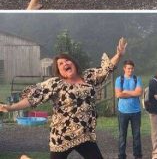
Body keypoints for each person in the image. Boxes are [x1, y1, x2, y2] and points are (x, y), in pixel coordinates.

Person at [0, 37, 128, 159]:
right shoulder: (55, 84)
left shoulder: (87, 77)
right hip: (62, 135)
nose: (65, 63)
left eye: (67, 60)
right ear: (59, 71)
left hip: (84, 134)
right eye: (60, 64)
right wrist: (11, 107)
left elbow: (106, 69)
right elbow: (33, 97)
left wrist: (119, 55)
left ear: (73, 63)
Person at [115, 60, 143, 159]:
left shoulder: (137, 79)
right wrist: (133, 92)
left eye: (131, 68)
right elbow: (118, 94)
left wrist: (126, 92)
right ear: (124, 68)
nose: (130, 70)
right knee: (122, 135)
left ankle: (137, 155)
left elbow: (139, 93)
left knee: (136, 135)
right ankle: (121, 156)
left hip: (136, 112)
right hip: (123, 111)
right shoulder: (119, 79)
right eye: (128, 68)